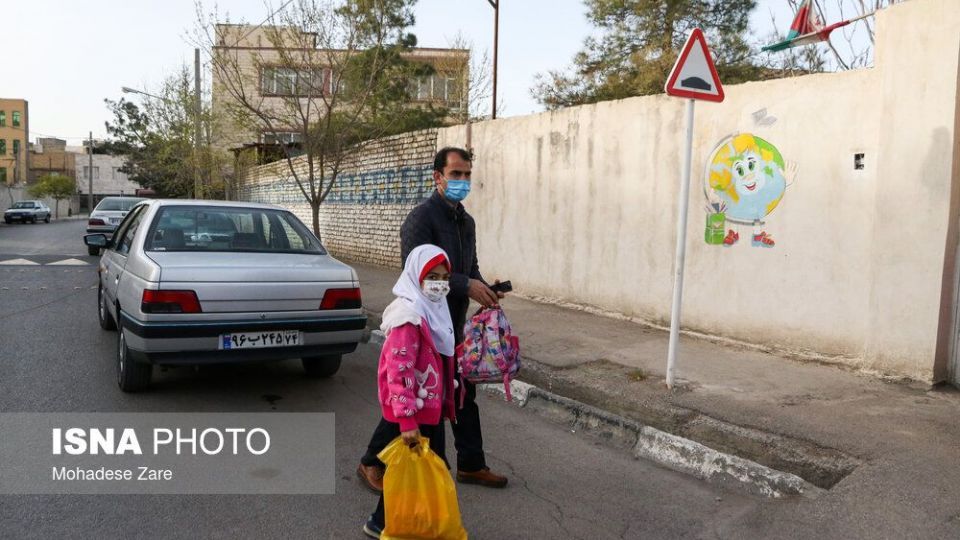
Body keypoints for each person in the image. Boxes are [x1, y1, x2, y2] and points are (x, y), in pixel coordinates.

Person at [358, 146, 508, 493]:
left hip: (455, 323)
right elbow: (418, 273)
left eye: (467, 174)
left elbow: (470, 268)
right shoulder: (421, 219)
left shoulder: (466, 222)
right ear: (438, 177)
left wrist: (484, 288)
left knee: (462, 392)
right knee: (418, 394)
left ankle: (471, 463)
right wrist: (466, 285)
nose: (462, 181)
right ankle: (371, 460)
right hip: (424, 325)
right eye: (456, 174)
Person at [363, 244, 459, 539]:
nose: (439, 284)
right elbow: (399, 372)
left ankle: (403, 520)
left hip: (429, 409)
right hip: (414, 412)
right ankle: (387, 521)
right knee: (417, 467)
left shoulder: (434, 311)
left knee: (425, 467)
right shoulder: (408, 317)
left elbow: (440, 360)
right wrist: (406, 421)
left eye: (445, 278)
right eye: (432, 277)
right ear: (416, 276)